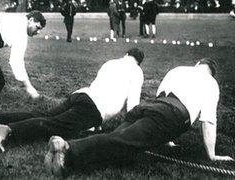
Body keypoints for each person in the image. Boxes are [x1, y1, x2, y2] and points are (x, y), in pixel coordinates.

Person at [44, 58, 234, 176]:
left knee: (118, 147)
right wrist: (212, 155)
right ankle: (68, 149)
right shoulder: (211, 83)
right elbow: (208, 121)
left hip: (147, 107)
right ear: (212, 73)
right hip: (169, 114)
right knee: (119, 142)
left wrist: (167, 138)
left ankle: (73, 154)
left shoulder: (179, 70)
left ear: (198, 64)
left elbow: (162, 94)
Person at [0, 48, 145, 152]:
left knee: (44, 115)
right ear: (139, 62)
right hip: (94, 108)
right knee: (54, 125)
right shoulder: (137, 72)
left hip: (81, 94)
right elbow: (132, 105)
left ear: (126, 55)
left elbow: (100, 85)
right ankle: (7, 129)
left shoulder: (111, 62)